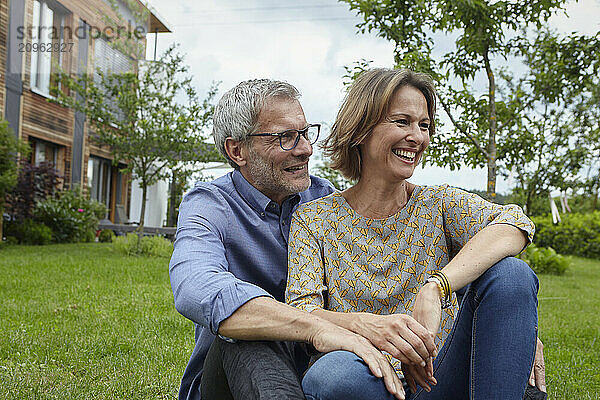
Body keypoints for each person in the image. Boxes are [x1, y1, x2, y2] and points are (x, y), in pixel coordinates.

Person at [285, 68, 544, 400]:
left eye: (424, 125)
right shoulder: (314, 219)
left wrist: (436, 287)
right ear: (361, 129)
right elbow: (303, 312)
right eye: (402, 122)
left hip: (441, 378)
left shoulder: (437, 203)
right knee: (333, 376)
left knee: (511, 273)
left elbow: (515, 224)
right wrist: (367, 328)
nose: (417, 137)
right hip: (369, 380)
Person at [169, 79, 419, 400]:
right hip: (232, 379)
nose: (305, 149)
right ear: (237, 150)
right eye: (284, 137)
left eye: (304, 132)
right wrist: (314, 327)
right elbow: (196, 287)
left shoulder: (323, 197)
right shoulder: (209, 204)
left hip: (317, 372)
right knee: (249, 334)